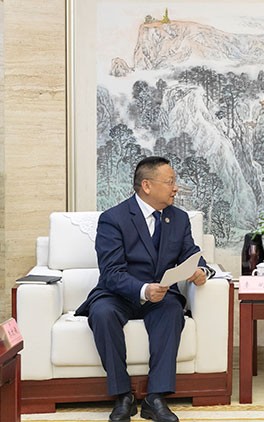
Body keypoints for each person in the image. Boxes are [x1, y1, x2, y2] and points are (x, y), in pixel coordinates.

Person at [75, 156, 215, 422]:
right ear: (147, 186)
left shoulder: (179, 219)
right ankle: (123, 396)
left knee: (172, 311)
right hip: (118, 294)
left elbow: (192, 255)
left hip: (160, 297)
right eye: (170, 182)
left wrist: (201, 271)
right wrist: (143, 289)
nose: (176, 188)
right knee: (102, 313)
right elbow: (111, 272)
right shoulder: (113, 219)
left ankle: (156, 398)